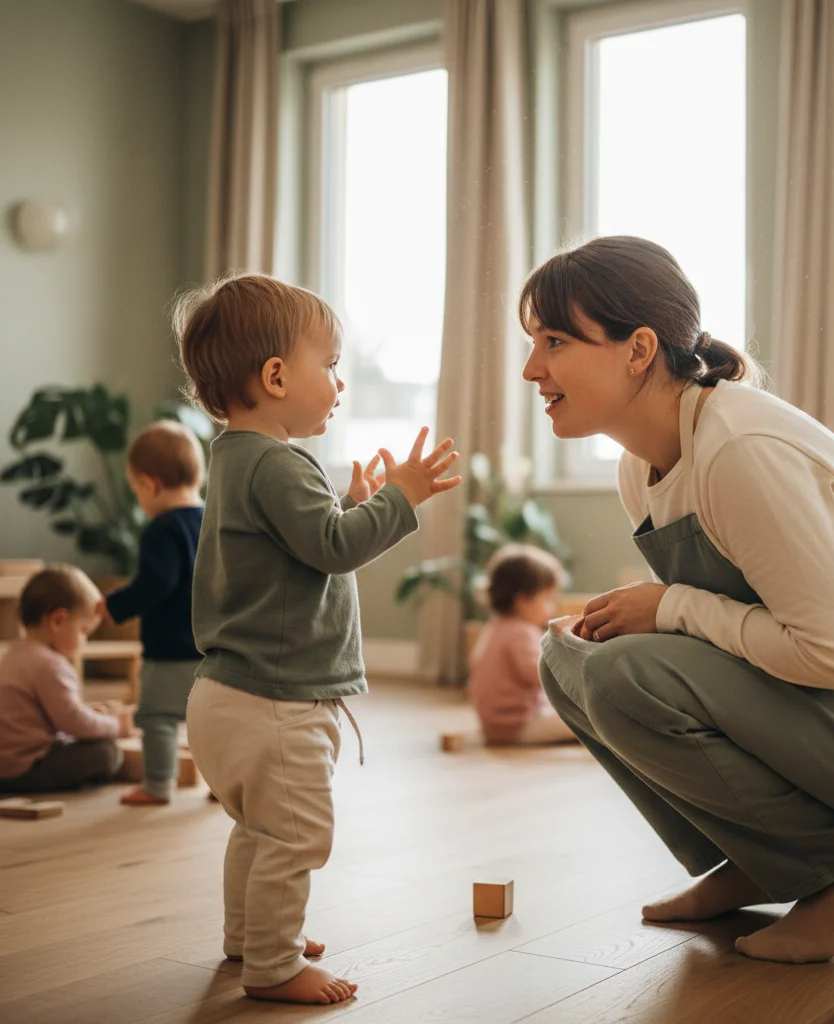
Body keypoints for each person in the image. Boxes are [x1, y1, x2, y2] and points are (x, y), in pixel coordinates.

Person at [521, 235, 834, 964]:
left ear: (639, 349)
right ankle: (761, 857)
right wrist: (650, 616)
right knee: (567, 658)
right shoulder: (641, 468)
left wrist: (669, 608)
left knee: (625, 675)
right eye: (533, 343)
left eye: (555, 341)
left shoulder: (740, 447)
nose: (532, 369)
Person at [175, 273, 460, 1006]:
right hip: (275, 701)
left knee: (259, 828)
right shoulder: (278, 461)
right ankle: (273, 964)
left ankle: (250, 936)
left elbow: (307, 544)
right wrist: (400, 498)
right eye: (330, 365)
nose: (339, 381)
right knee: (298, 835)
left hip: (227, 695)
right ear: (275, 377)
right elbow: (334, 548)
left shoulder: (236, 456)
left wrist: (353, 505)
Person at [104, 421, 204, 806]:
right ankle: (225, 788)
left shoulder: (162, 529)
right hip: (215, 649)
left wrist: (115, 606)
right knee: (213, 723)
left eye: (136, 492)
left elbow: (156, 583)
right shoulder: (214, 520)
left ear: (150, 484)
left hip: (169, 651)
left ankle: (158, 786)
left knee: (158, 718)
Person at [0, 566, 134, 792]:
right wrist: (116, 725)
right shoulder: (50, 664)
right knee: (107, 752)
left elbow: (50, 713)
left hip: (5, 765)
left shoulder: (14, 653)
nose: (85, 642)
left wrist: (89, 712)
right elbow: (74, 723)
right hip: (24, 767)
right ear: (58, 621)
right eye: (84, 631)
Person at [468, 545, 576, 745]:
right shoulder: (522, 632)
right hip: (518, 725)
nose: (551, 608)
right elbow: (542, 674)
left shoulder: (495, 627)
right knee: (584, 721)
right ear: (523, 601)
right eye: (547, 600)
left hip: (493, 726)